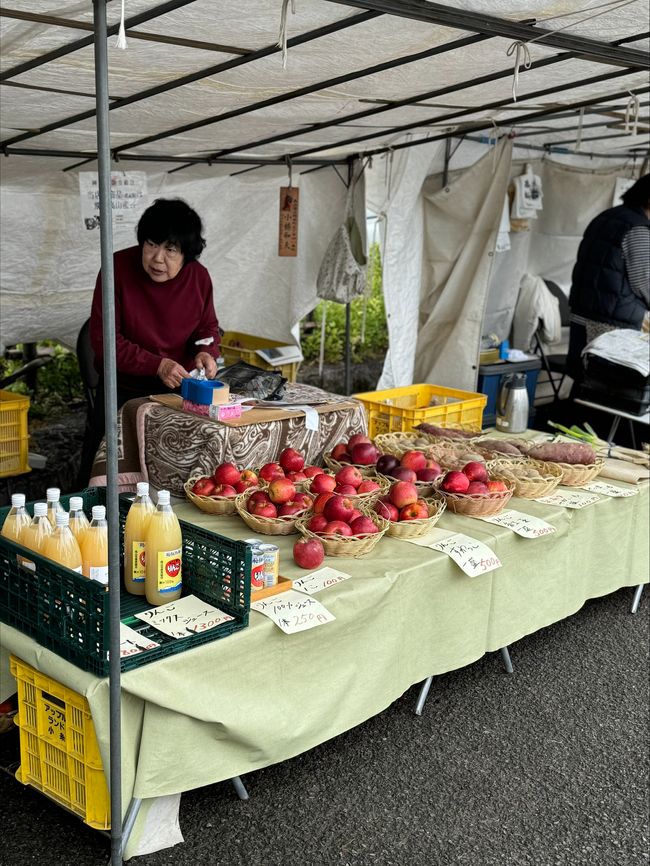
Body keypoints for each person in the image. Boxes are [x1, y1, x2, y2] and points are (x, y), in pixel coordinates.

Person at [79, 198, 221, 485]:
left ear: (187, 255)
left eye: (170, 249)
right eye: (151, 244)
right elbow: (106, 343)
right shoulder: (116, 269)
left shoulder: (199, 278)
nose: (157, 258)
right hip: (123, 390)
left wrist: (206, 350)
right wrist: (157, 365)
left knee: (183, 471)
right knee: (105, 474)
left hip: (179, 390)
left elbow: (207, 327)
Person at [566, 174, 650, 385]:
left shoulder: (606, 217)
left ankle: (572, 416)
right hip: (609, 323)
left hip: (583, 313)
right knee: (606, 386)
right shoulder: (638, 229)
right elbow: (645, 281)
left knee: (584, 376)